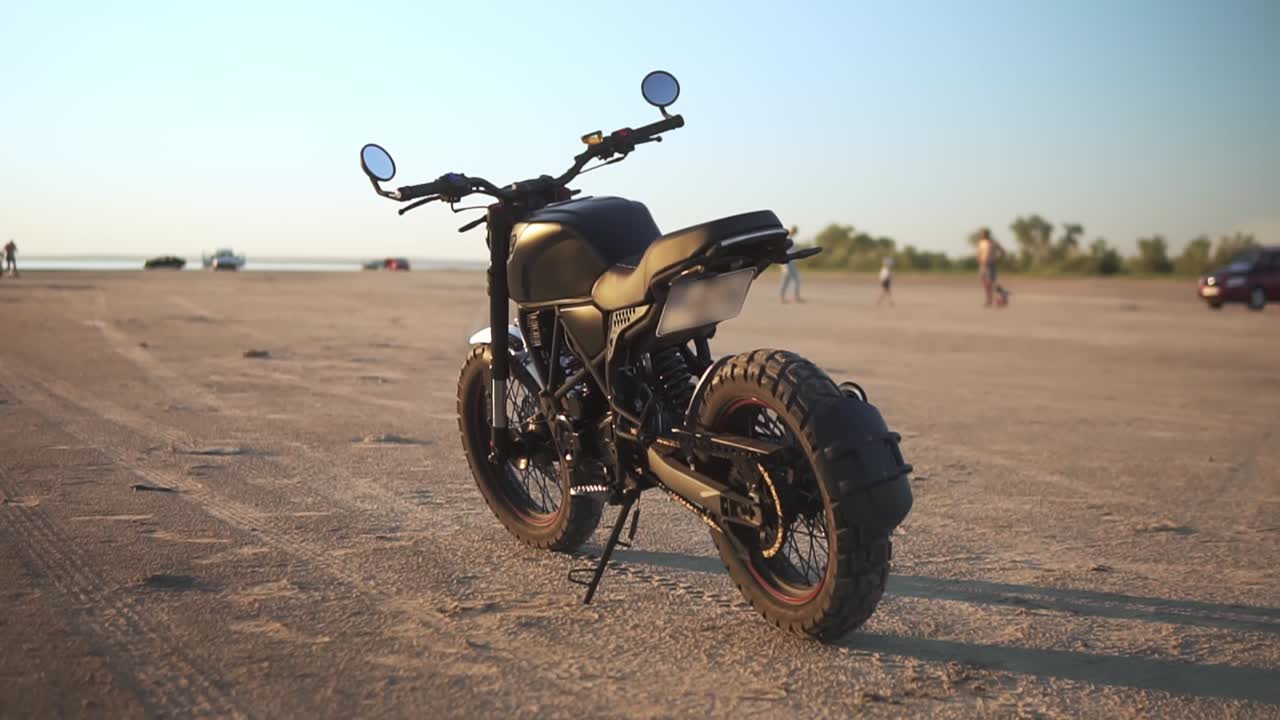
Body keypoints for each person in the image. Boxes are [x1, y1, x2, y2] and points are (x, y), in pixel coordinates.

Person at [976, 228, 1005, 307]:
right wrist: (979, 258)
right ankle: (989, 300)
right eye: (981, 234)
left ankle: (1000, 297)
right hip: (983, 265)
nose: (981, 235)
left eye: (983, 234)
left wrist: (998, 259)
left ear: (987, 234)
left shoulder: (994, 243)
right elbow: (979, 252)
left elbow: (1003, 251)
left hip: (991, 264)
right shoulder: (981, 243)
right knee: (985, 284)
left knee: (991, 282)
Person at [780, 225, 803, 303]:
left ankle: (794, 296)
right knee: (791, 279)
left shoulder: (791, 239)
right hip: (787, 262)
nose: (795, 233)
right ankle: (786, 297)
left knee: (790, 279)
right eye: (795, 231)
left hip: (791, 262)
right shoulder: (786, 239)